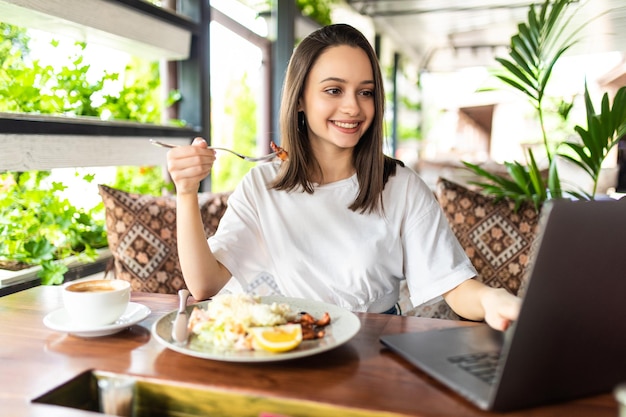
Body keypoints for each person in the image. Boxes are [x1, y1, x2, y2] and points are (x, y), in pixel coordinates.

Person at [166, 23, 520, 331]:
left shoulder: (400, 185)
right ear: (300, 99)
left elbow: (455, 286)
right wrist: (186, 192)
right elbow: (205, 284)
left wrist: (491, 299)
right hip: (292, 347)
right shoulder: (262, 186)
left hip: (375, 348)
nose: (353, 107)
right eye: (334, 90)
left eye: (365, 92)